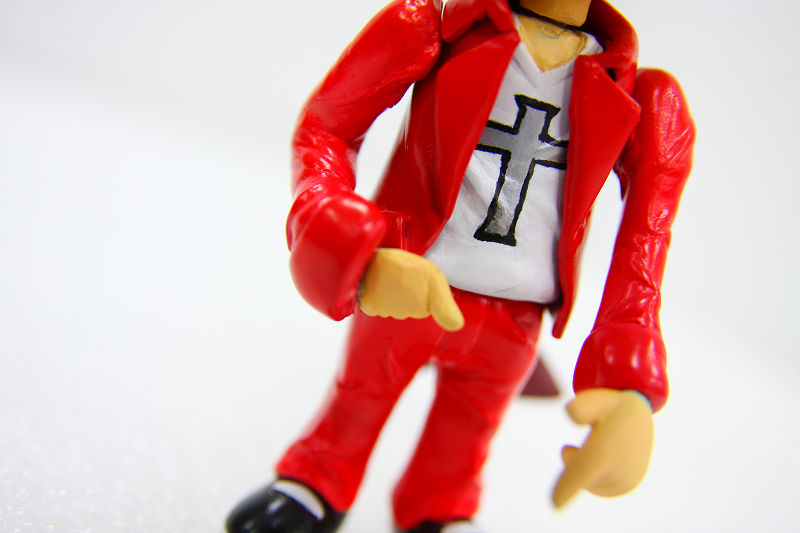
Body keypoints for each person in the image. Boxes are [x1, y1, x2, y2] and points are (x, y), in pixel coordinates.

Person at [227, 0, 695, 532]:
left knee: (467, 430)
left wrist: (630, 383)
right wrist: (355, 248)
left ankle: (439, 508)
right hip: (407, 281)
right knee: (360, 396)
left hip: (517, 316)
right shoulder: (430, 28)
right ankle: (317, 481)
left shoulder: (642, 97)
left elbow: (645, 240)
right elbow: (326, 129)